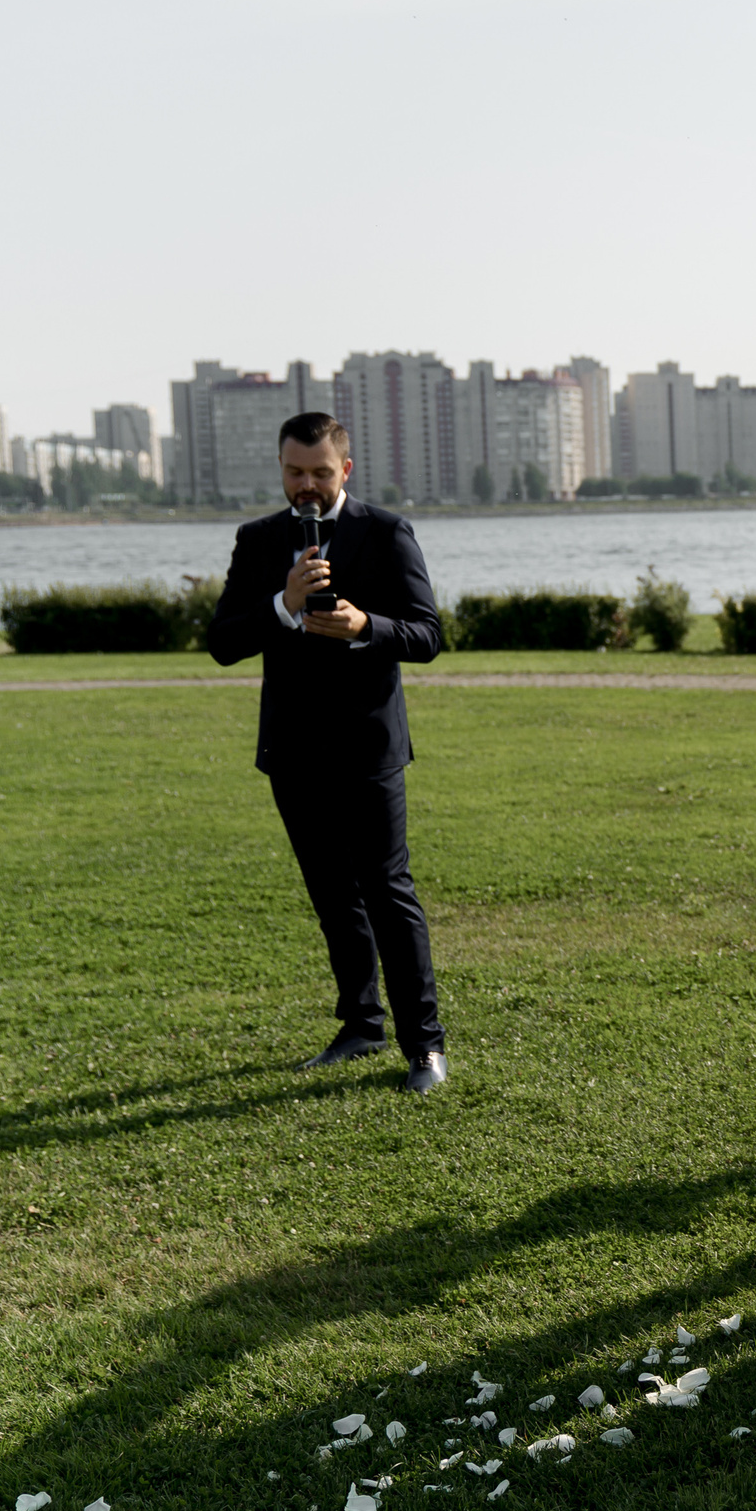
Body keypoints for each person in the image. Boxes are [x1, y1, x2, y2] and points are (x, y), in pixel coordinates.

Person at [205, 412, 452, 1094]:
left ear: (344, 469)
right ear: (280, 469)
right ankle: (361, 1023)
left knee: (387, 890)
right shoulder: (258, 540)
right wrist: (281, 604)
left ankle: (424, 1046)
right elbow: (223, 641)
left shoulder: (386, 531)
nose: (305, 485)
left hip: (368, 747)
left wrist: (365, 624)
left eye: (319, 471)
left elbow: (428, 634)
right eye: (293, 472)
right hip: (293, 749)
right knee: (332, 896)